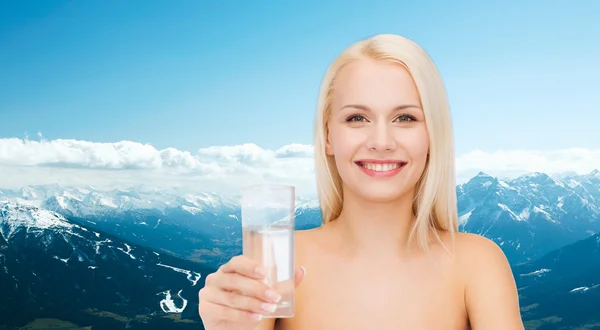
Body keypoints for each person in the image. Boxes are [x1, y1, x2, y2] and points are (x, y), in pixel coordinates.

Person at [198, 33, 525, 330]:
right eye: (357, 118)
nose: (381, 141)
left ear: (433, 136)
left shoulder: (477, 263)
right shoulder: (277, 261)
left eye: (405, 118)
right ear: (328, 136)